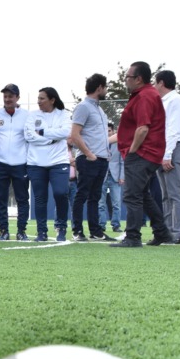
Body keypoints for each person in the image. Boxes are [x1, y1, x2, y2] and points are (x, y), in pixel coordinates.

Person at [111, 62, 174, 248]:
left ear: (138, 79)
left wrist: (132, 151)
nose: (125, 81)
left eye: (128, 77)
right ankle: (162, 232)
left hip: (142, 153)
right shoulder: (145, 95)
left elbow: (142, 128)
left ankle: (133, 236)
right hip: (148, 153)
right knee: (143, 194)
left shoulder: (145, 96)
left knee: (132, 195)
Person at [68, 73, 114, 242]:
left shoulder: (99, 110)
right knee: (82, 194)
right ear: (99, 88)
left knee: (95, 196)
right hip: (88, 160)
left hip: (102, 159)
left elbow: (99, 135)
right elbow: (74, 134)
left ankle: (96, 231)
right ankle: (77, 231)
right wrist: (89, 154)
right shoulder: (83, 107)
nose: (106, 90)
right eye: (105, 87)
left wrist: (105, 155)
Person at [25, 88, 73, 242]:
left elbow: (65, 132)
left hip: (59, 162)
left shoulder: (64, 114)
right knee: (40, 198)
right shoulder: (32, 115)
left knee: (60, 193)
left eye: (42, 98)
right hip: (36, 162)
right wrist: (52, 137)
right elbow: (29, 135)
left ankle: (61, 227)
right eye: (38, 98)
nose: (38, 101)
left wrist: (42, 133)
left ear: (52, 100)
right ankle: (42, 232)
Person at [154, 70, 180, 244]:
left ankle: (177, 232)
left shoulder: (175, 100)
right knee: (166, 195)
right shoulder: (163, 101)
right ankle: (167, 230)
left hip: (172, 149)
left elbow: (173, 129)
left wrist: (167, 155)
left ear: (161, 83)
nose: (154, 86)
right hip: (164, 149)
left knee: (175, 194)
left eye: (155, 82)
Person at [0, 84, 29, 241]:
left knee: (22, 198)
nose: (7, 99)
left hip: (21, 163)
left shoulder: (27, 115)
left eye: (11, 96)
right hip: (0, 162)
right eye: (5, 96)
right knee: (0, 197)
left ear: (17, 98)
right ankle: (3, 231)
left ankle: (21, 231)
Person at [97, 122, 124, 236]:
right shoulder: (98, 144)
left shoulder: (119, 144)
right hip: (101, 177)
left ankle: (116, 225)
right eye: (106, 131)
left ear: (113, 132)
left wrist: (122, 177)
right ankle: (101, 225)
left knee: (116, 203)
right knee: (101, 203)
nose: (107, 133)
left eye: (109, 131)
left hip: (114, 177)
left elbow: (122, 162)